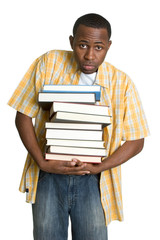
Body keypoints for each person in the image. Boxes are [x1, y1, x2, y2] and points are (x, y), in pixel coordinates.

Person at [8, 13, 149, 240]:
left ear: (109, 46)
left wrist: (99, 168)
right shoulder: (49, 63)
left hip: (94, 180)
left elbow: (137, 140)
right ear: (72, 41)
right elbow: (23, 115)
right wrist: (42, 162)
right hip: (49, 175)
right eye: (82, 45)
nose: (89, 55)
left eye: (99, 47)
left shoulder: (121, 83)